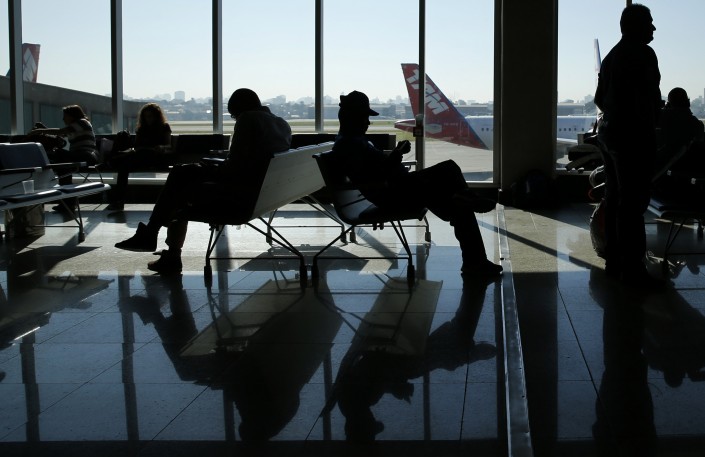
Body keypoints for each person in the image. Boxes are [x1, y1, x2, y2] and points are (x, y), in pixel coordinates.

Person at [114, 88, 292, 275]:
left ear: (240, 109)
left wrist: (211, 166)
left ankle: (155, 239)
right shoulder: (281, 123)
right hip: (260, 190)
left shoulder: (248, 119)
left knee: (179, 179)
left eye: (234, 116)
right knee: (182, 181)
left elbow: (233, 167)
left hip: (239, 193)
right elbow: (247, 162)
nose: (235, 119)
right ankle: (156, 240)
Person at [331, 90, 501, 276]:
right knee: (449, 171)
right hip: (395, 193)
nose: (368, 122)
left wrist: (395, 155)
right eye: (364, 117)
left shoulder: (352, 142)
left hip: (398, 188)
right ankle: (473, 246)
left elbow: (374, 171)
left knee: (458, 203)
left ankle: (468, 216)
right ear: (352, 118)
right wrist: (397, 155)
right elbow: (377, 176)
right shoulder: (350, 145)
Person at [594, 3, 663, 286]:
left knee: (614, 198)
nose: (653, 28)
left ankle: (614, 260)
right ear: (636, 26)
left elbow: (599, 99)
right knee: (633, 203)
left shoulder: (612, 56)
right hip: (632, 136)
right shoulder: (642, 54)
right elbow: (650, 100)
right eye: (649, 22)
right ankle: (634, 270)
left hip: (610, 133)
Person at [30, 105, 97, 213]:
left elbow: (60, 132)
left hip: (86, 156)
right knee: (64, 167)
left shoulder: (82, 122)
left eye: (65, 116)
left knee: (59, 157)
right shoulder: (76, 126)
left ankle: (67, 200)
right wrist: (45, 130)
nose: (63, 119)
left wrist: (40, 131)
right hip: (81, 156)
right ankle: (68, 202)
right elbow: (59, 136)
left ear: (72, 116)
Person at [107, 103, 173, 211]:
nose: (148, 119)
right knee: (124, 167)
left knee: (124, 166)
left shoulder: (164, 127)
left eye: (150, 116)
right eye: (146, 116)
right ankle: (118, 200)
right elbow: (137, 146)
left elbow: (168, 145)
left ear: (156, 116)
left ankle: (118, 200)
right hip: (143, 156)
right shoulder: (142, 129)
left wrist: (161, 147)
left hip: (155, 157)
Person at [655, 87, 705, 175]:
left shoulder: (664, 117)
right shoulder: (697, 125)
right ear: (687, 101)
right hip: (685, 167)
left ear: (670, 103)